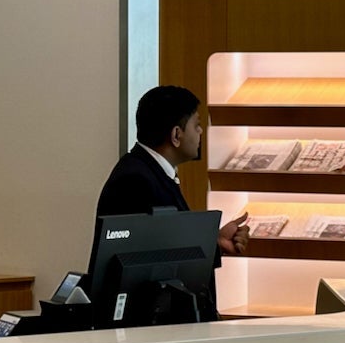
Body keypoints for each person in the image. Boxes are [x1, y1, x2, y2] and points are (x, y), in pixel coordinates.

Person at [96, 84, 249, 261]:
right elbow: (152, 260)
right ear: (176, 135)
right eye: (197, 125)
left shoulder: (149, 171)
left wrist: (216, 243)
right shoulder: (135, 181)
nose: (200, 132)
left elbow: (168, 247)